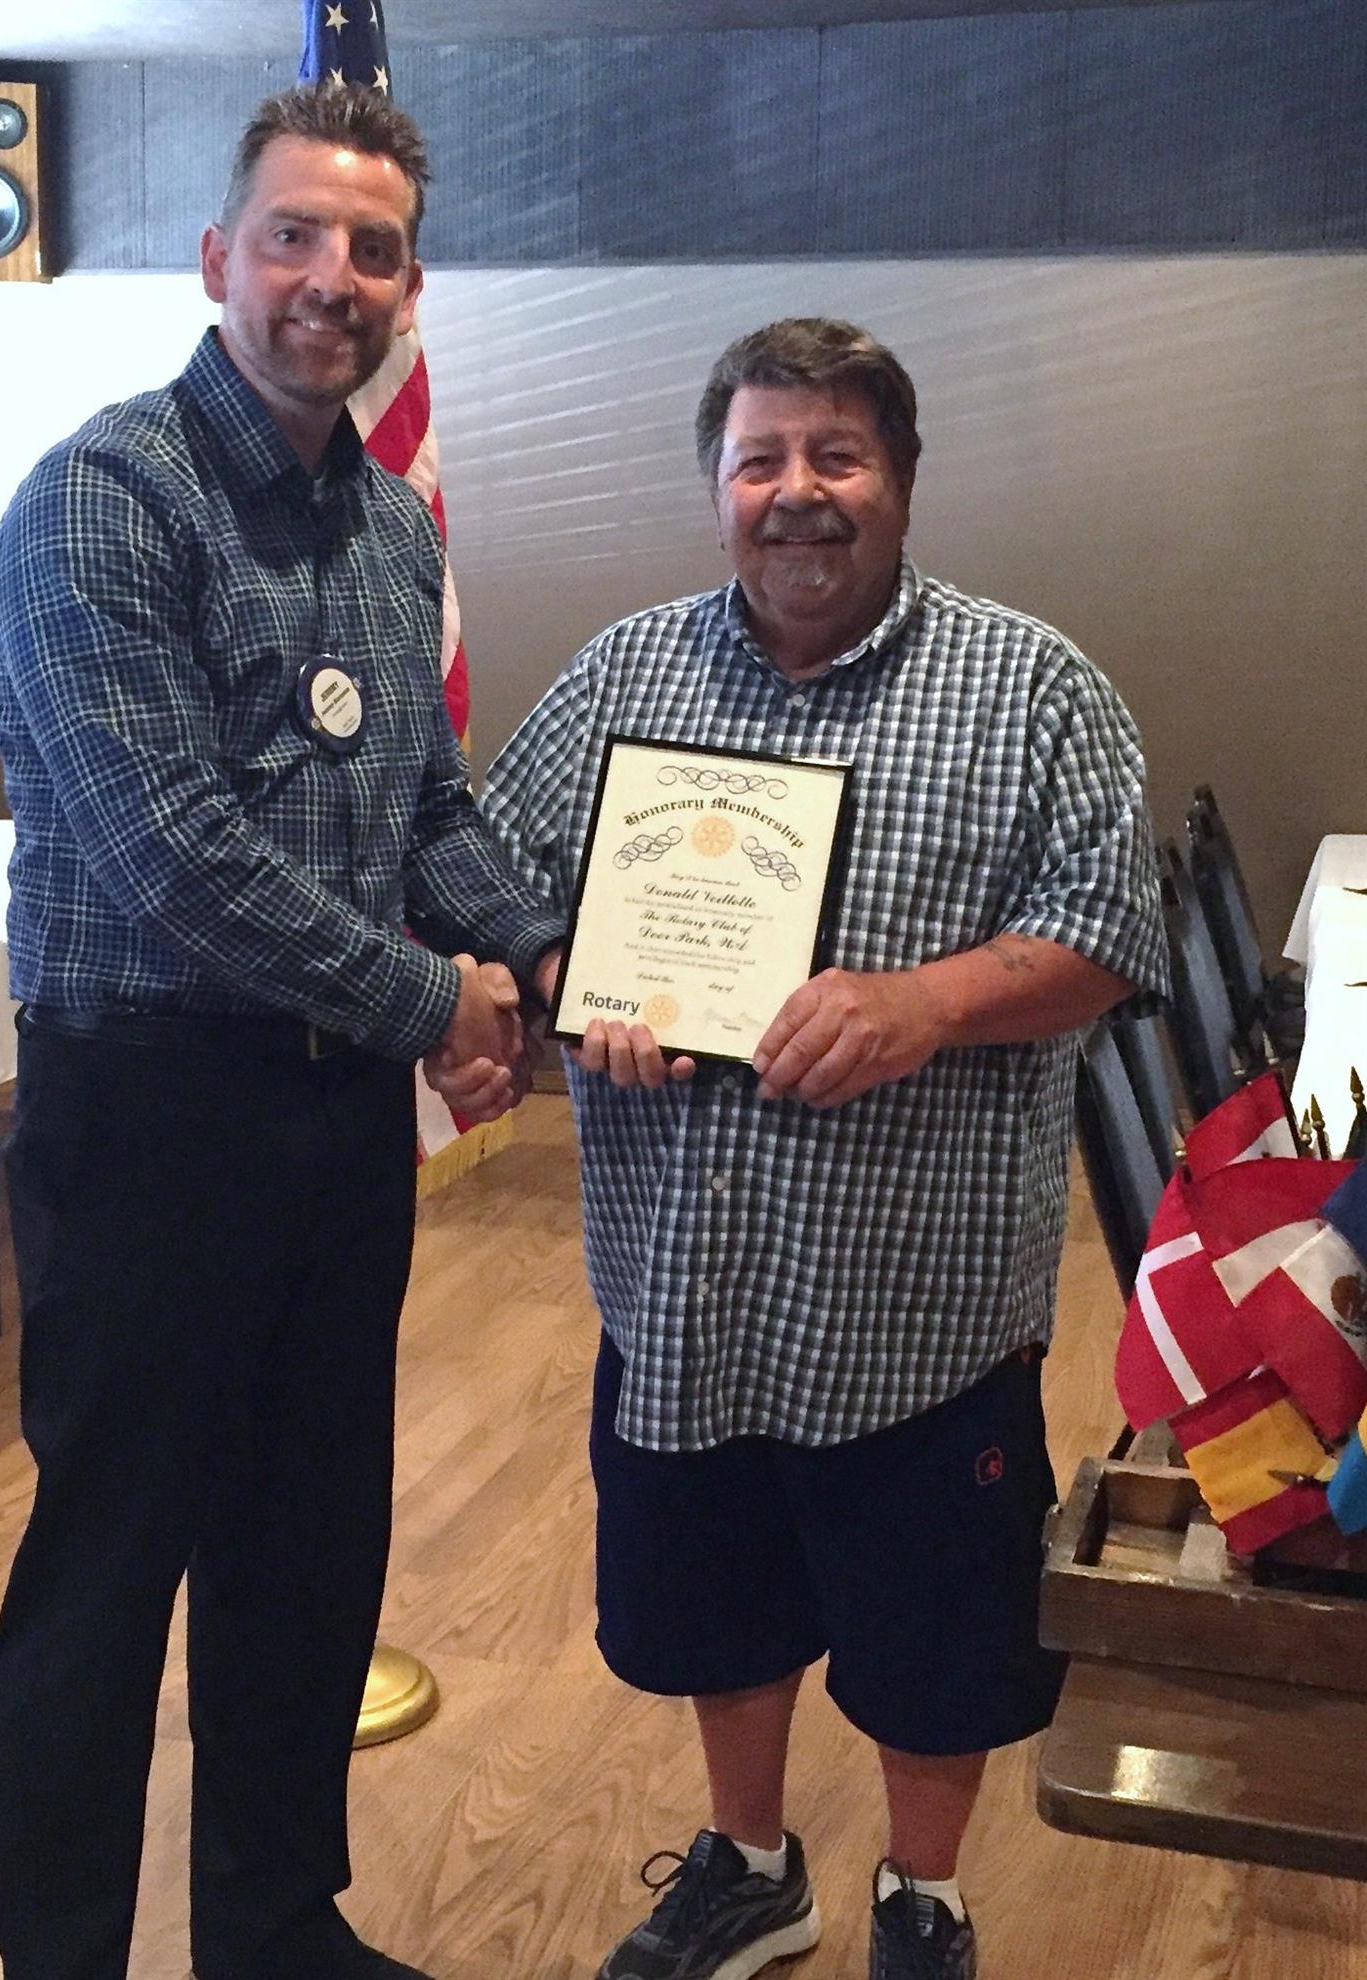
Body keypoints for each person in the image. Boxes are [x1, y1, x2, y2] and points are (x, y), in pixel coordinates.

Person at [476, 318, 1169, 1980]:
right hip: (682, 1291)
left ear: (900, 482)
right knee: (717, 1599)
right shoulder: (623, 674)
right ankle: (750, 1862)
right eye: (760, 459)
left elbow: (1107, 932)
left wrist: (927, 1002)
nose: (796, 491)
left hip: (915, 1313)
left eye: (836, 456)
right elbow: (488, 871)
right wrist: (570, 976)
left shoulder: (1032, 686)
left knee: (937, 1643)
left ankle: (921, 1893)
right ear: (716, 486)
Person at [0, 82, 560, 1980]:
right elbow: (172, 860)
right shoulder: (100, 503)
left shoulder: (386, 527)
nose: (332, 278)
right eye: (295, 236)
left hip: (331, 1128)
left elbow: (427, 812)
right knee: (107, 1571)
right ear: (219, 257)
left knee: (307, 1546)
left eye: (373, 250)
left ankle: (272, 1925)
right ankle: (64, 1956)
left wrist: (548, 952)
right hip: (147, 1117)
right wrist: (435, 999)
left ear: (408, 289)